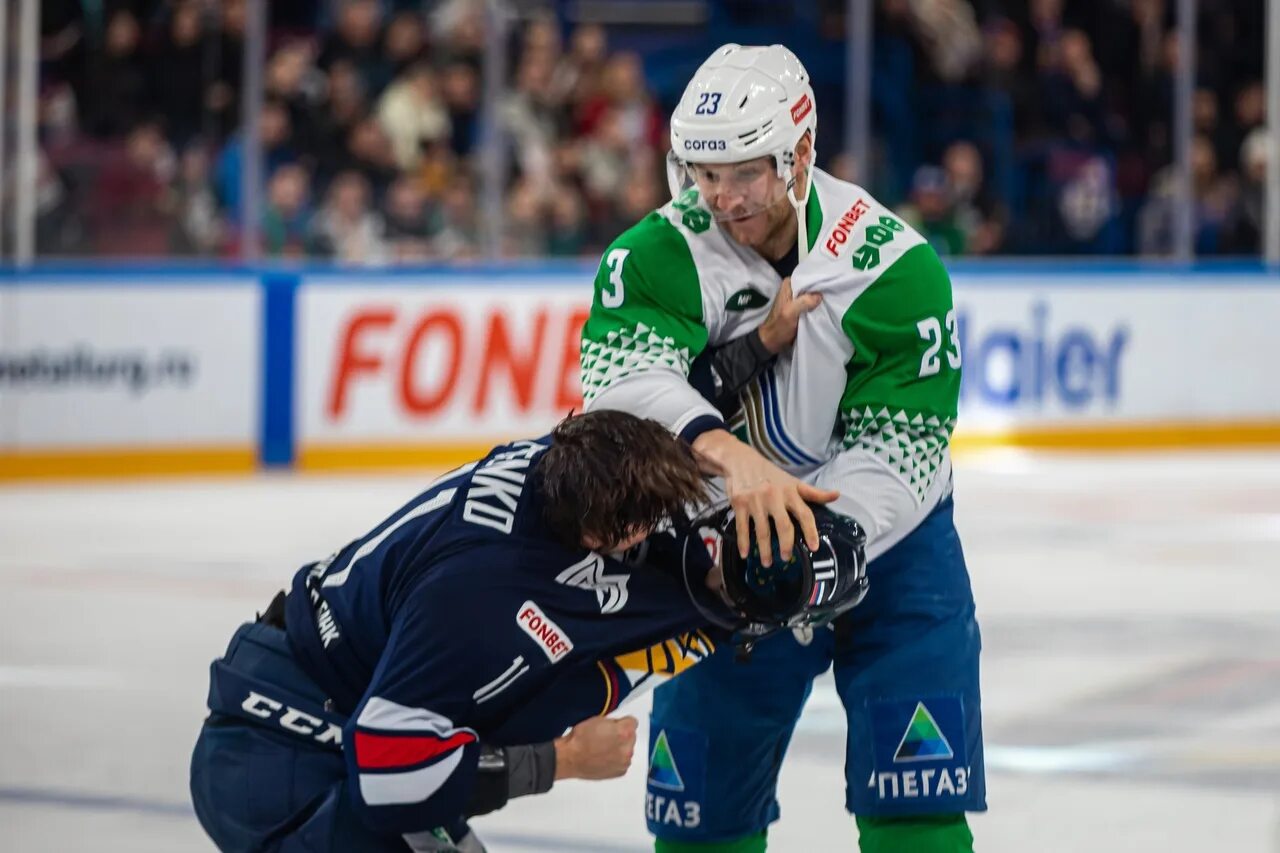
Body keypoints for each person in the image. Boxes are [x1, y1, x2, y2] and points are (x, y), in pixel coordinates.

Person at [580, 44, 984, 853]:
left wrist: (816, 542)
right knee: (701, 817)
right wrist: (734, 463)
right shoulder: (654, 254)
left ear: (799, 153)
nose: (722, 198)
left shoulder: (895, 270)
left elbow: (902, 446)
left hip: (893, 550)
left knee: (916, 804)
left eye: (744, 172)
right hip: (724, 547)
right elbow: (617, 393)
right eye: (703, 171)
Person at [189, 410, 869, 853]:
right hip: (281, 760)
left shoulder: (566, 458)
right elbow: (389, 775)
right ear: (602, 537)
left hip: (332, 694)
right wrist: (565, 759)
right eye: (644, 527)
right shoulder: (482, 602)